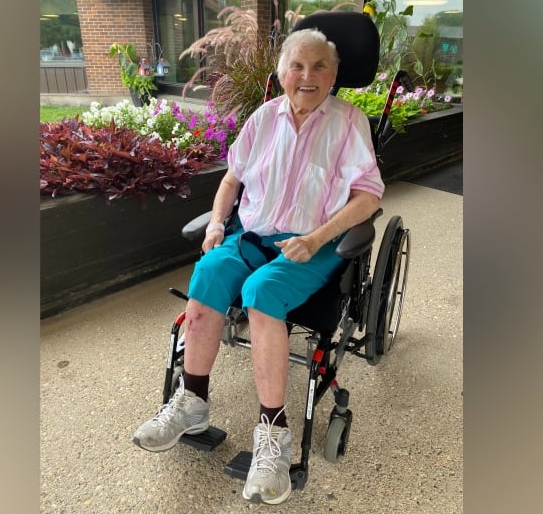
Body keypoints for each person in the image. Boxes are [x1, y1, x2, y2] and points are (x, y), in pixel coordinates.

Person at [132, 27, 384, 505]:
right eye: (297, 66)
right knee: (207, 274)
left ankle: (273, 437)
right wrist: (216, 225)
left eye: (319, 67)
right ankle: (192, 403)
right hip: (250, 234)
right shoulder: (263, 118)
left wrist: (314, 240)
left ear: (334, 74)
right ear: (281, 72)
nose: (307, 76)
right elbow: (232, 179)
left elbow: (368, 197)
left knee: (262, 292)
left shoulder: (349, 123)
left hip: (312, 243)